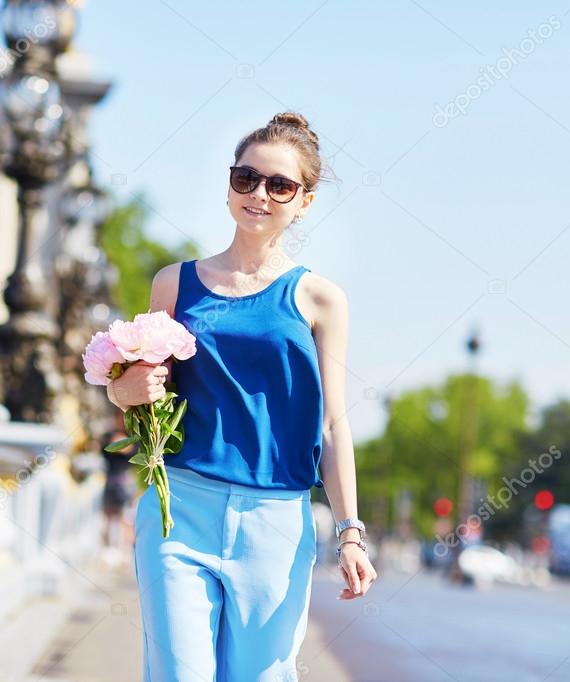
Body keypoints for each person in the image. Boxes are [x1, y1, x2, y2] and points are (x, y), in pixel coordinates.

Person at [106, 111, 377, 681]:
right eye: (246, 178)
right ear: (230, 183)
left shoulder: (321, 299)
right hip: (178, 509)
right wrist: (121, 389)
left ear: (304, 200)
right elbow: (147, 395)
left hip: (276, 521)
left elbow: (332, 424)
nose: (259, 194)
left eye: (279, 185)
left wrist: (350, 531)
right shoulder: (173, 282)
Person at [99, 410, 136, 566]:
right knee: (108, 515)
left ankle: (125, 551)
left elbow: (130, 449)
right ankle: (108, 549)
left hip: (125, 480)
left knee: (125, 518)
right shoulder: (108, 435)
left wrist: (121, 443)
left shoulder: (135, 436)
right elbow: (109, 446)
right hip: (111, 479)